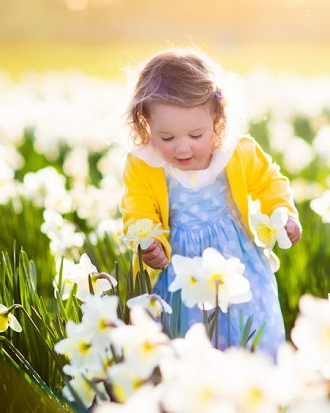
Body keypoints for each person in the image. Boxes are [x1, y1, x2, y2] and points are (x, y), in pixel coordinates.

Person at [119, 47, 301, 358]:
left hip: (238, 261)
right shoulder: (144, 164)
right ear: (145, 122)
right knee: (189, 338)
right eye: (167, 137)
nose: (182, 148)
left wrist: (282, 214)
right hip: (182, 266)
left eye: (195, 134)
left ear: (216, 118)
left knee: (253, 327)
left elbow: (270, 181)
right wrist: (151, 244)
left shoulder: (235, 152)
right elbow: (138, 210)